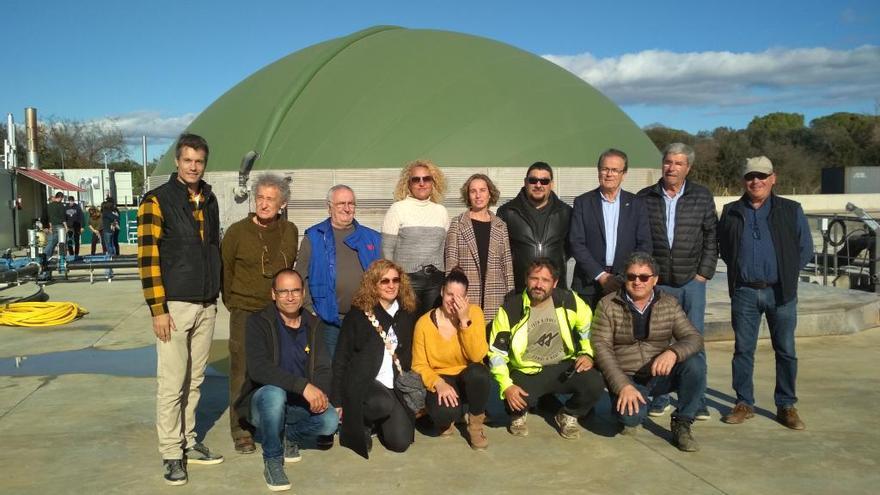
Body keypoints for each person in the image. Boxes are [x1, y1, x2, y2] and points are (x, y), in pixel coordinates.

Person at [137, 133, 224, 485]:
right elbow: (147, 258)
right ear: (177, 160)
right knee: (172, 382)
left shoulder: (210, 197)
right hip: (174, 305)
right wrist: (158, 308)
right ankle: (172, 452)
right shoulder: (157, 201)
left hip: (206, 303)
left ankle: (188, 441)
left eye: (199, 161)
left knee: (196, 380)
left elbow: (213, 246)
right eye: (188, 160)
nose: (193, 166)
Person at [717, 156, 813, 430]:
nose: (755, 181)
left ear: (773, 178)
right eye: (750, 176)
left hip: (781, 292)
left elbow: (804, 248)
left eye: (761, 176)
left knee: (785, 350)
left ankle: (786, 405)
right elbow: (725, 247)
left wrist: (784, 273)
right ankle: (744, 402)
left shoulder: (790, 209)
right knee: (743, 350)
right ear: (743, 180)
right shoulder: (732, 210)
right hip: (745, 292)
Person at [590, 252, 706, 452]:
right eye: (631, 276)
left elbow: (694, 338)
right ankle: (623, 405)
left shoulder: (669, 303)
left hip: (659, 374)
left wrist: (673, 353)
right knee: (630, 419)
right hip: (628, 376)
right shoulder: (607, 304)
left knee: (695, 364)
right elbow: (601, 349)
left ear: (655, 280)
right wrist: (622, 385)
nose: (637, 282)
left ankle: (683, 422)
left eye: (644, 277)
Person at [235, 269, 337, 492]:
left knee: (330, 421)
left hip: (298, 403)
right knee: (274, 393)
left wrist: (321, 395)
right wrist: (304, 386)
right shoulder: (258, 322)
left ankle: (287, 436)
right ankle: (272, 459)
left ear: (303, 293)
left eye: (295, 291)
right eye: (283, 292)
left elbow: (322, 367)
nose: (290, 297)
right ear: (273, 294)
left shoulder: (314, 324)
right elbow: (258, 369)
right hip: (264, 404)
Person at [637, 143, 716, 420]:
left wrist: (703, 273)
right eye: (668, 162)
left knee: (693, 340)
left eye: (678, 163)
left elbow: (710, 237)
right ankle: (660, 396)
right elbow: (639, 240)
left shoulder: (701, 196)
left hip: (691, 282)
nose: (672, 168)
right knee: (657, 341)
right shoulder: (645, 197)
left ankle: (697, 399)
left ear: (688, 168)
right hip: (658, 285)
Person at [221, 174, 299, 454]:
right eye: (261, 198)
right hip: (244, 310)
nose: (264, 204)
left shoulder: (289, 230)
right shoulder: (236, 232)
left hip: (276, 312)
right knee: (241, 371)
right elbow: (225, 271)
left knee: (277, 369)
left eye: (271, 199)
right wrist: (235, 303)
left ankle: (273, 424)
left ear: (283, 203)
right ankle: (241, 428)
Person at [488, 258, 604, 439]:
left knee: (594, 383)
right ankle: (518, 415)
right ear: (526, 279)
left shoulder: (569, 301)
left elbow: (588, 329)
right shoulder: (510, 309)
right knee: (516, 400)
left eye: (545, 280)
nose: (539, 285)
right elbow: (496, 354)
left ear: (555, 283)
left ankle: (568, 414)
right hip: (527, 370)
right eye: (534, 278)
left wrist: (587, 354)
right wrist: (506, 386)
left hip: (563, 366)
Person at [331, 259, 418, 458]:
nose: (391, 285)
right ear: (373, 283)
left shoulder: (407, 313)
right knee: (381, 403)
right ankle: (363, 424)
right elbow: (341, 358)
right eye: (384, 281)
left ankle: (380, 422)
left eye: (395, 280)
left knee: (400, 443)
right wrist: (337, 400)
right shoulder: (358, 315)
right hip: (364, 383)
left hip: (394, 385)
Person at [296, 184, 381, 358]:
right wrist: (309, 308)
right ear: (329, 207)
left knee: (360, 369)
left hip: (364, 319)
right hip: (327, 321)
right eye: (341, 203)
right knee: (331, 371)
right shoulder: (314, 237)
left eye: (351, 203)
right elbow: (300, 276)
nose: (347, 208)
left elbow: (383, 276)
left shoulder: (372, 238)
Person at [411, 268, 492, 449]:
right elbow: (418, 364)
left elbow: (477, 356)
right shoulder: (424, 324)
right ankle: (453, 416)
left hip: (467, 376)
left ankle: (475, 424)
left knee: (479, 374)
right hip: (442, 378)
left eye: (459, 296)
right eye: (449, 294)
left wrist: (464, 322)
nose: (453, 301)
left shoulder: (475, 314)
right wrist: (437, 383)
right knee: (442, 415)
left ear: (466, 297)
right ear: (441, 292)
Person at [569, 149, 652, 309]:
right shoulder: (583, 202)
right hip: (588, 284)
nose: (609, 174)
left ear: (624, 174)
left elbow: (644, 244)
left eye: (615, 170)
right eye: (605, 169)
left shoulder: (637, 204)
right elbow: (576, 243)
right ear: (598, 171)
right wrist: (601, 276)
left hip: (625, 282)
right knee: (588, 332)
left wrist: (622, 276)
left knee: (621, 332)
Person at [382, 159, 450, 316]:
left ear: (433, 182)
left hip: (436, 281)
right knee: (407, 328)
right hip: (407, 281)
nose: (421, 183)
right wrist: (393, 281)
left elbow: (445, 248)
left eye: (426, 179)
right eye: (416, 179)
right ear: (408, 183)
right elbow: (387, 250)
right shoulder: (397, 209)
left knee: (432, 326)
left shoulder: (441, 211)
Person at [445, 174, 514, 324]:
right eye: (473, 191)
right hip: (466, 296)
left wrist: (511, 296)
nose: (478, 195)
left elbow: (507, 266)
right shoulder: (457, 224)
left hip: (495, 296)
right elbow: (451, 265)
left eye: (482, 190)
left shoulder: (500, 225)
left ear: (490, 194)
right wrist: (451, 296)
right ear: (468, 195)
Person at [497, 162, 572, 293]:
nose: (538, 185)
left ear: (551, 184)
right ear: (525, 182)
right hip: (520, 290)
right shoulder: (507, 212)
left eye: (544, 181)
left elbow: (570, 248)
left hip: (554, 291)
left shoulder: (566, 212)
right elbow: (501, 252)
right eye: (533, 180)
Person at [42, 191, 66, 264]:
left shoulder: (48, 206)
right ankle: (44, 255)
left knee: (51, 243)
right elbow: (63, 217)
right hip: (58, 226)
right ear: (60, 197)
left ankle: (47, 259)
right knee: (60, 243)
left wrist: (47, 227)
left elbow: (45, 217)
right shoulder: (60, 205)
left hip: (51, 226)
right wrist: (66, 227)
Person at [101, 197, 119, 280]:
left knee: (109, 249)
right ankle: (111, 265)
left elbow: (115, 218)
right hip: (110, 231)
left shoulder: (106, 212)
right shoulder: (111, 212)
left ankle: (109, 266)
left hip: (108, 231)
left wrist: (113, 223)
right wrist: (114, 223)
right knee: (111, 246)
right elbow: (116, 218)